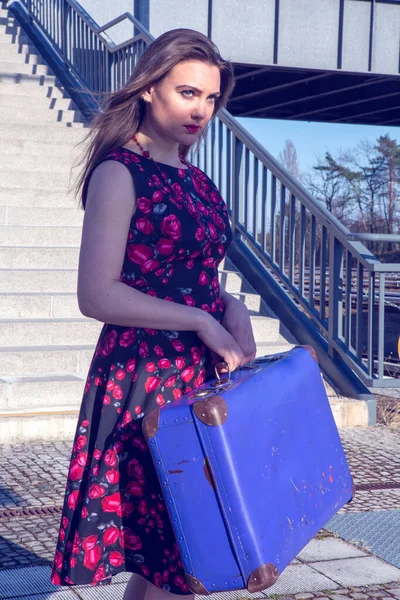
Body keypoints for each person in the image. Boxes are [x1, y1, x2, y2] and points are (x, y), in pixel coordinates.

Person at [51, 28, 256, 600]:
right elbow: (96, 294)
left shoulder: (199, 182)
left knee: (171, 559)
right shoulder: (120, 172)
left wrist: (230, 305)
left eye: (212, 98)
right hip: (144, 379)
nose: (202, 110)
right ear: (148, 89)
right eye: (188, 93)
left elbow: (196, 277)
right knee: (180, 554)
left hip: (195, 374)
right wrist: (200, 320)